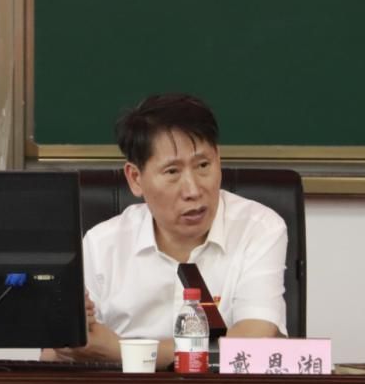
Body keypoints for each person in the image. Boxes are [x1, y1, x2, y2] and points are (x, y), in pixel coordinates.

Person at [49, 93, 287, 367]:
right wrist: (68, 339)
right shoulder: (102, 244)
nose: (193, 190)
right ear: (135, 179)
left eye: (203, 166)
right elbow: (51, 355)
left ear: (219, 160)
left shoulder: (258, 228)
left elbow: (252, 345)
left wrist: (122, 351)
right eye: (172, 172)